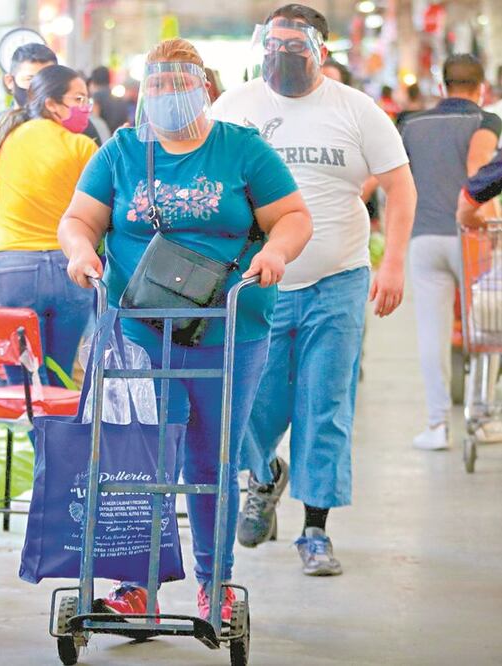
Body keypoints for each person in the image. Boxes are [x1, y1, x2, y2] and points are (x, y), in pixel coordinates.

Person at [59, 38, 312, 620]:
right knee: (142, 456)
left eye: (179, 83)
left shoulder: (242, 149)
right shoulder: (121, 150)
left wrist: (275, 254)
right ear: (143, 92)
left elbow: (294, 217)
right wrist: (79, 253)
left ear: (204, 87)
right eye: (157, 85)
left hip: (229, 328)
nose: (168, 95)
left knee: (209, 458)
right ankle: (135, 583)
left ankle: (213, 582)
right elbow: (78, 219)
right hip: (140, 329)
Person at [211, 4, 416, 576]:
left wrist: (393, 262)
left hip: (338, 281)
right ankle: (265, 473)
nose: (280, 56)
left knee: (323, 406)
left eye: (293, 47)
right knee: (250, 403)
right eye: (271, 46)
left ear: (318, 50)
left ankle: (315, 532)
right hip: (259, 285)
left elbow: (401, 189)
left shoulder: (355, 110)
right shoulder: (237, 106)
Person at [0, 65, 98, 387]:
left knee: (20, 384)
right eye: (78, 99)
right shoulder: (82, 147)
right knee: (60, 376)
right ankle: (54, 438)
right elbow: (102, 213)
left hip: (12, 271)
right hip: (70, 270)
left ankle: (35, 434)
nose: (85, 108)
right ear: (52, 103)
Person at [400, 54, 501, 450]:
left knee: (432, 332)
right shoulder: (486, 122)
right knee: (484, 330)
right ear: (482, 89)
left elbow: (388, 178)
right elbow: (479, 175)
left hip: (424, 238)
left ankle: (437, 425)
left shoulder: (410, 124)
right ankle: (480, 416)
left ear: (441, 87)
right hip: (471, 237)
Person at [0, 45, 102, 300]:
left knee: (14, 341)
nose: (38, 85)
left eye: (46, 78)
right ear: (10, 82)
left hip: (15, 262)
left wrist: (12, 215)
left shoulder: (82, 133)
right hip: (62, 260)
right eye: (30, 80)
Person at [90, 65, 131, 130]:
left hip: (105, 135)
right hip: (118, 134)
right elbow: (127, 119)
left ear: (94, 80)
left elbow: (96, 119)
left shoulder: (97, 96)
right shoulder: (117, 93)